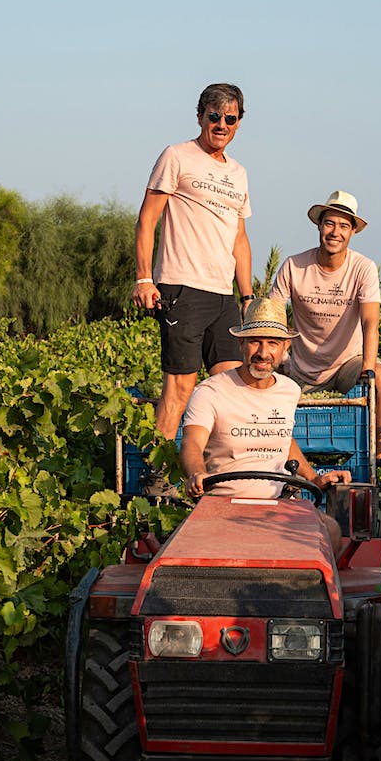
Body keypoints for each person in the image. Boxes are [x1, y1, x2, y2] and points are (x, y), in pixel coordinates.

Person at [133, 83, 255, 493]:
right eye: (214, 116)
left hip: (224, 296)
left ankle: (223, 473)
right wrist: (144, 278)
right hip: (182, 285)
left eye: (230, 118)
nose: (221, 124)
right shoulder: (177, 156)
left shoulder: (238, 173)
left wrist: (248, 296)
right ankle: (157, 478)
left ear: (239, 122)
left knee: (230, 381)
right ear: (200, 115)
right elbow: (148, 218)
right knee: (180, 384)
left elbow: (239, 238)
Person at [180, 298, 350, 556]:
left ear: (285, 347)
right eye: (255, 341)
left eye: (272, 343)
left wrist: (313, 478)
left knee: (333, 533)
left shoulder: (289, 390)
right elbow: (192, 442)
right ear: (241, 343)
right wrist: (196, 473)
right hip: (227, 507)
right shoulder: (210, 392)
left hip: (280, 506)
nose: (263, 352)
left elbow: (282, 439)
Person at [269, 190, 381, 460]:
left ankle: (378, 461)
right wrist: (279, 359)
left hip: (346, 364)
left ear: (352, 232)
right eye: (330, 223)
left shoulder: (363, 268)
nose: (335, 232)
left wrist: (368, 370)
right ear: (319, 225)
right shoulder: (294, 266)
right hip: (301, 369)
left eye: (344, 226)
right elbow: (273, 319)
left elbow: (370, 321)